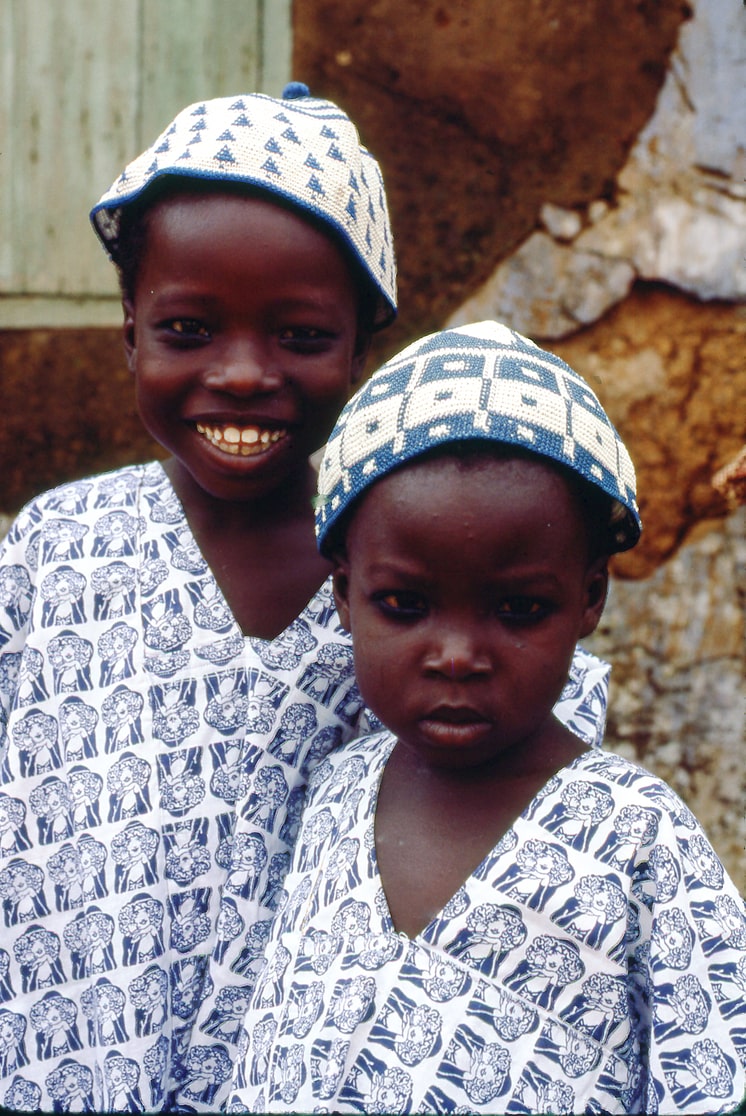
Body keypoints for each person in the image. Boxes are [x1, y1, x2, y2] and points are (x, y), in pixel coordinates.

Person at [0, 92, 612, 1110]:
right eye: (187, 329)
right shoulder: (54, 552)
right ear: (128, 331)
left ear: (362, 345)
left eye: (299, 334)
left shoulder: (408, 575)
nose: (241, 374)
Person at [223, 322, 746, 1115]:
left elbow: (711, 1074)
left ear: (590, 599)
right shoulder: (335, 791)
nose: (459, 655)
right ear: (342, 596)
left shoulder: (637, 837)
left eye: (518, 608)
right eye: (405, 604)